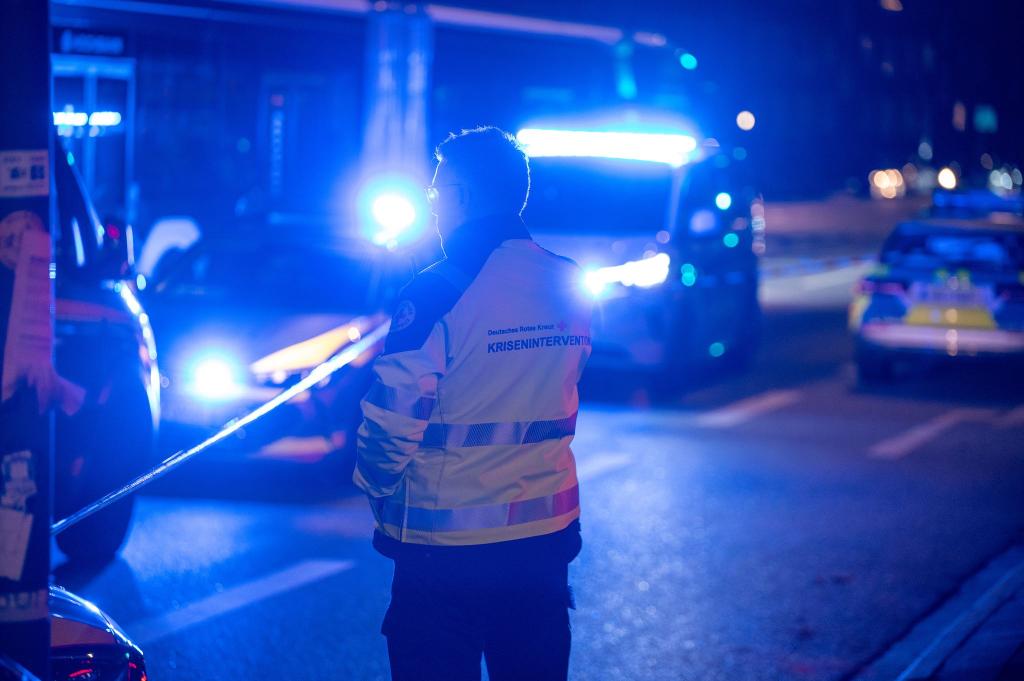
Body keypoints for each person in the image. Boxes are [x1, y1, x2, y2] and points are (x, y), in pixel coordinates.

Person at [353, 126, 592, 681]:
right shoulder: (569, 281)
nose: (433, 206)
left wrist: (377, 488)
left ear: (460, 196)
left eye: (436, 192)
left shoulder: (436, 292)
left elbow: (391, 419)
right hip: (544, 544)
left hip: (445, 553)